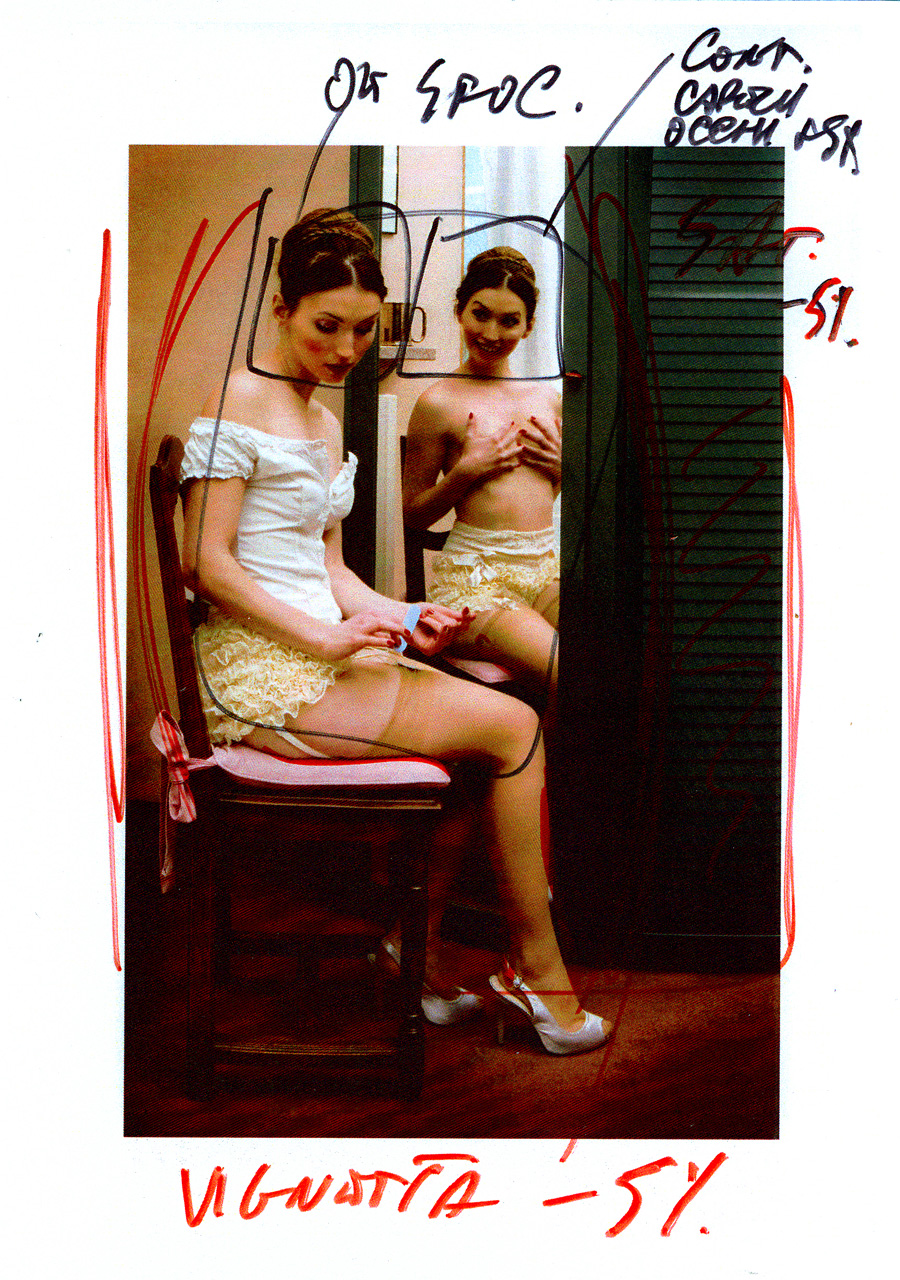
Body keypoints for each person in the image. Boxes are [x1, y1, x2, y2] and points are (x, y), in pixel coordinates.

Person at [180, 209, 608, 1055]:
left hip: (311, 655)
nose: (346, 348)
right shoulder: (241, 396)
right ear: (282, 308)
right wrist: (324, 640)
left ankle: (414, 954)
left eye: (363, 328)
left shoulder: (320, 418)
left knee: (488, 744)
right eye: (326, 325)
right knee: (516, 727)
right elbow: (205, 563)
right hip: (259, 675)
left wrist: (408, 618)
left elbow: (330, 571)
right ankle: (539, 973)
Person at [402, 247, 562, 727]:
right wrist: (466, 472)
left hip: (545, 572)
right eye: (480, 314)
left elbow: (543, 497)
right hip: (476, 585)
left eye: (509, 321)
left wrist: (564, 470)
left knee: (614, 653)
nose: (492, 333)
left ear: (529, 326)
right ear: (459, 310)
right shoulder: (438, 402)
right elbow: (412, 514)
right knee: (569, 668)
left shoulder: (549, 400)